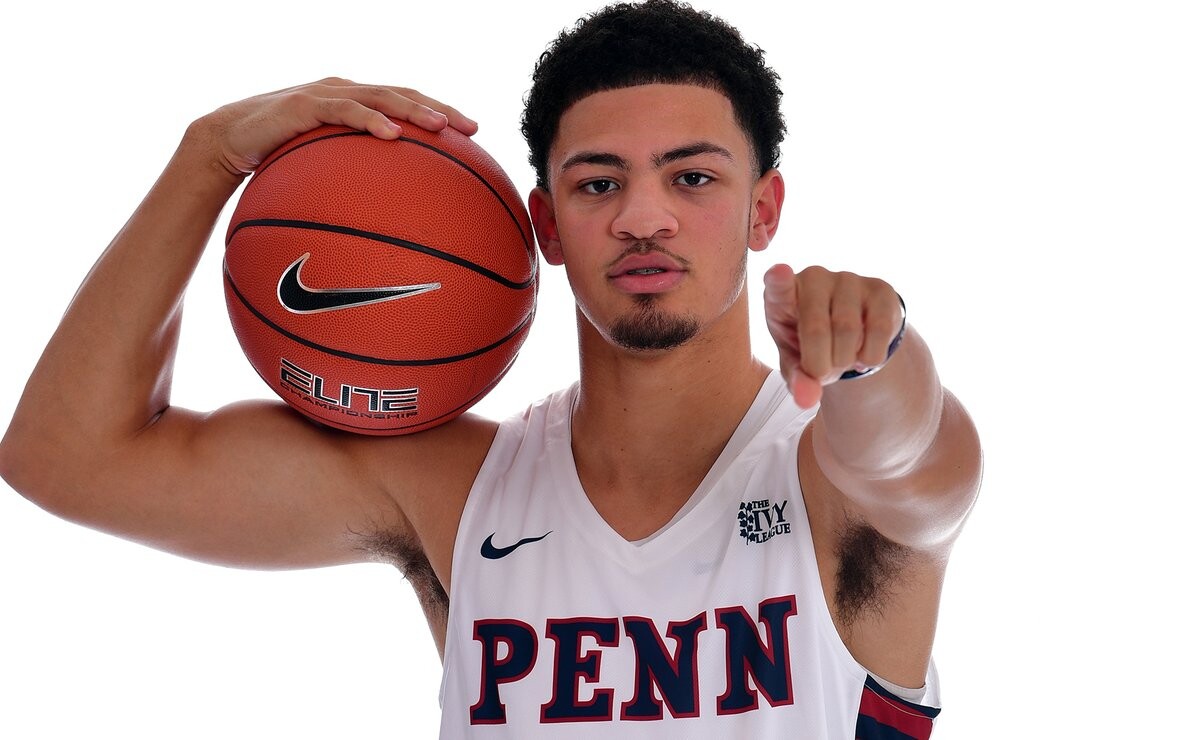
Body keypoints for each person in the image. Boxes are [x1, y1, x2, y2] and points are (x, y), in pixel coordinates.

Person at [0, 0, 981, 737]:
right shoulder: (460, 493)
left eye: (693, 177)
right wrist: (208, 157)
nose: (644, 217)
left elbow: (910, 453)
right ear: (544, 225)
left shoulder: (832, 488)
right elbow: (64, 458)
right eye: (599, 183)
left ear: (763, 211)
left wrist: (876, 351)